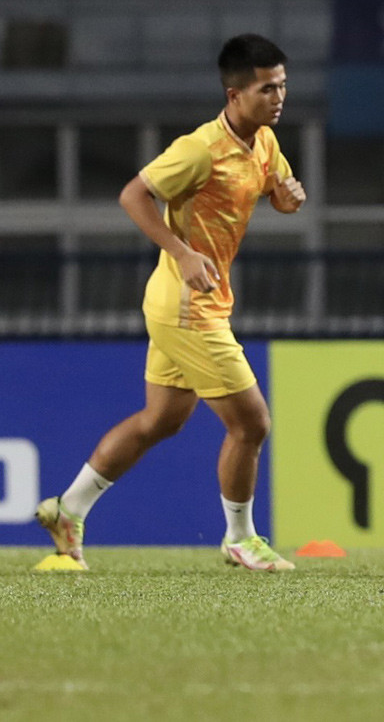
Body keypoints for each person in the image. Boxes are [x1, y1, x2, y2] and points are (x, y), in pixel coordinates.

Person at [35, 34, 306, 572]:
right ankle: (239, 537)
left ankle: (69, 508)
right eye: (267, 88)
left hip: (194, 300)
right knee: (251, 423)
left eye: (282, 86)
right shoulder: (199, 149)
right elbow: (134, 194)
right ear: (234, 94)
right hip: (186, 305)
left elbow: (275, 187)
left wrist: (286, 198)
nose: (278, 97)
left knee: (160, 421)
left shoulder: (266, 142)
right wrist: (181, 251)